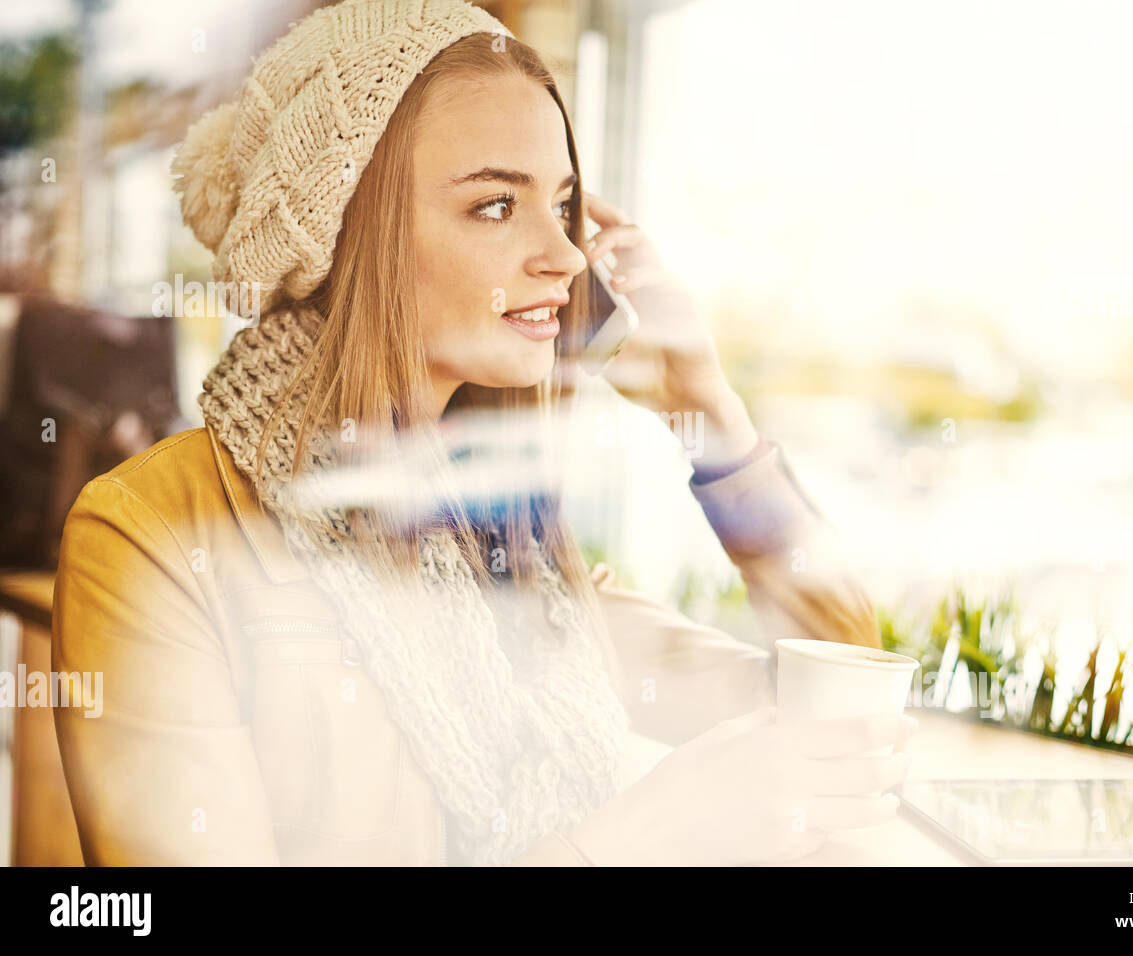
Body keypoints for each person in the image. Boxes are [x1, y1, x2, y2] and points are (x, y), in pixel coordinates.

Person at [50, 0, 912, 867]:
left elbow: (840, 703)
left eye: (564, 204)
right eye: (497, 205)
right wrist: (648, 835)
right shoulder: (149, 540)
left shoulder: (523, 562)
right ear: (348, 234)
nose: (569, 256)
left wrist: (709, 410)